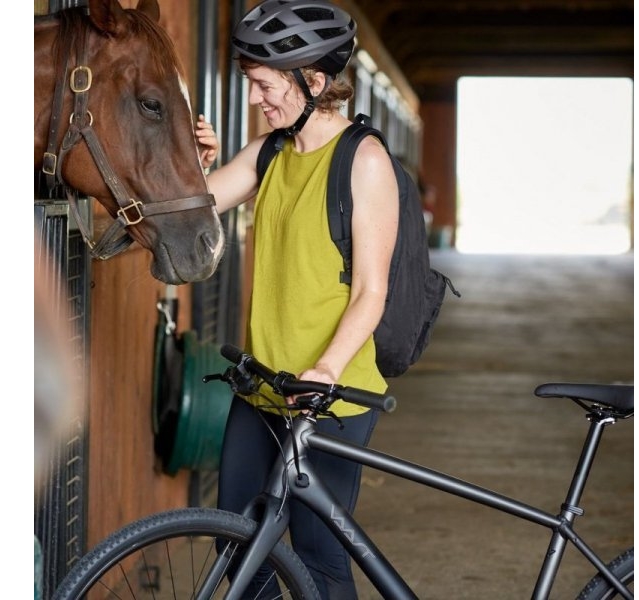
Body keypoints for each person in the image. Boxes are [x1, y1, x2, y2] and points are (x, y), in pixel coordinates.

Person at [194, 1, 399, 597]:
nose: (256, 99)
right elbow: (200, 203)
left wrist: (327, 369)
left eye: (264, 86)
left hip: (333, 394)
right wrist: (189, 162)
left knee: (318, 552)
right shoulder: (270, 151)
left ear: (312, 82)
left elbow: (371, 290)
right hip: (264, 386)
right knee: (239, 541)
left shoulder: (364, 162)